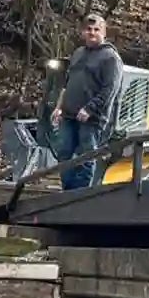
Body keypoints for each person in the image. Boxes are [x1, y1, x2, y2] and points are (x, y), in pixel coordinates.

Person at [51, 13, 121, 190]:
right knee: (64, 153)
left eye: (96, 30)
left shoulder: (110, 57)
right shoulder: (78, 53)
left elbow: (110, 90)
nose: (92, 33)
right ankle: (68, 191)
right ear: (82, 32)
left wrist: (90, 109)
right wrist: (59, 107)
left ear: (104, 33)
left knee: (86, 157)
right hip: (68, 114)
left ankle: (79, 194)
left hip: (91, 119)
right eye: (88, 29)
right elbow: (67, 84)